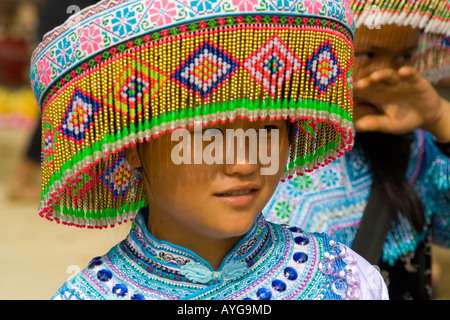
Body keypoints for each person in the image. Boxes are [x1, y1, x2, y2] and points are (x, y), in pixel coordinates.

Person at [30, 0, 388, 300]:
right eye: (207, 135)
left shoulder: (347, 281)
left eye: (266, 129)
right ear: (133, 147)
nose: (247, 161)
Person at [263, 0, 450, 300]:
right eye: (367, 54)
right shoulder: (258, 157)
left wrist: (441, 119)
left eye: (404, 56)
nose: (386, 75)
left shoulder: (418, 149)